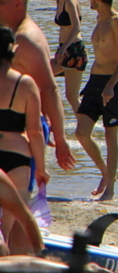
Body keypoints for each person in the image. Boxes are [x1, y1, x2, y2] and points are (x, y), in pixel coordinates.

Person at [0, 0, 75, 173]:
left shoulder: (26, 39)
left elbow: (49, 88)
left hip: (24, 128)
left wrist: (61, 140)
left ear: (18, 4)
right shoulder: (15, 33)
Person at [75, 0, 118, 200]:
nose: (89, 0)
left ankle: (111, 189)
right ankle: (106, 174)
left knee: (110, 136)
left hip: (112, 84)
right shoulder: (99, 19)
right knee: (81, 132)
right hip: (94, 81)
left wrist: (110, 86)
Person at [0, 24, 46, 250]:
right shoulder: (25, 83)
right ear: (13, 50)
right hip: (18, 156)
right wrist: (41, 168)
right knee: (6, 226)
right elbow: (35, 131)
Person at [49, 0, 87, 111]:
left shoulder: (70, 1)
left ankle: (86, 124)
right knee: (39, 75)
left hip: (74, 50)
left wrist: (63, 49)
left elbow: (77, 27)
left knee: (72, 96)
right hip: (64, 48)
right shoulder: (59, 1)